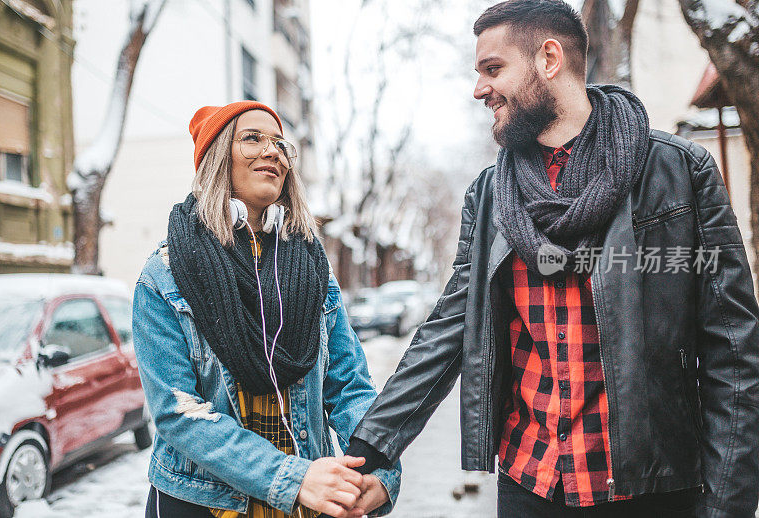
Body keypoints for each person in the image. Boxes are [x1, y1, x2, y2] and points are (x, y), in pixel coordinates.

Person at [343, 2, 759, 517]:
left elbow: (734, 352)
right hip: (530, 483)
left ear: (548, 58)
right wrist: (367, 452)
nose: (479, 89)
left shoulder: (678, 172)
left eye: (493, 69)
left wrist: (728, 506)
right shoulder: (492, 196)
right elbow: (451, 327)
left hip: (651, 486)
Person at [132, 101, 399, 518]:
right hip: (205, 503)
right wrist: (293, 478)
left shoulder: (312, 268)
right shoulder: (164, 276)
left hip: (308, 500)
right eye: (252, 139)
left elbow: (349, 385)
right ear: (219, 156)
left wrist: (380, 470)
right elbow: (179, 413)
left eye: (279, 143)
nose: (272, 151)